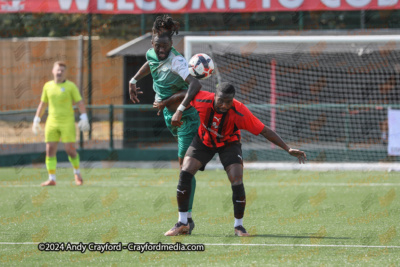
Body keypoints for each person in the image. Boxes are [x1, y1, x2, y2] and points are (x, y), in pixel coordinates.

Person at [164, 82, 307, 236]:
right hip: (204, 141)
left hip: (229, 143)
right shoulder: (202, 99)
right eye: (221, 101)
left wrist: (287, 148)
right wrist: (174, 107)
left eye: (228, 101)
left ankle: (239, 226)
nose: (224, 105)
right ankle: (183, 223)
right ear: (215, 96)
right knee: (185, 172)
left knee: (237, 180)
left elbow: (265, 131)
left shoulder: (240, 111)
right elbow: (188, 92)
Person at [128, 15, 202, 234]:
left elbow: (195, 85)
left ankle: (183, 222)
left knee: (185, 171)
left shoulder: (177, 61)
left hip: (187, 117)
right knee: (185, 170)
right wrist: (133, 80)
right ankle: (187, 220)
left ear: (172, 45)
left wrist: (176, 107)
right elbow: (150, 62)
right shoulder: (152, 54)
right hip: (171, 118)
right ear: (152, 44)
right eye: (158, 45)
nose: (161, 50)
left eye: (165, 46)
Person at [32, 61, 90, 186]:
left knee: (70, 150)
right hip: (52, 122)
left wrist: (84, 117)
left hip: (67, 122)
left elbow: (79, 102)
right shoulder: (47, 86)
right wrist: (36, 119)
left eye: (62, 70)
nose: (59, 72)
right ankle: (52, 178)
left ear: (65, 73)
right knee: (49, 150)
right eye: (57, 70)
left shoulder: (70, 86)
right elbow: (43, 104)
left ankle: (77, 173)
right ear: (53, 71)